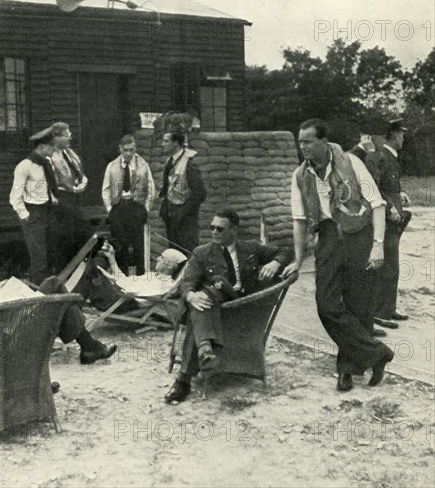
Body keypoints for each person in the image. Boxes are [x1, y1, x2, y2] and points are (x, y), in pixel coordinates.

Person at [282, 119, 394, 392]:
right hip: (329, 238)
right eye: (300, 142)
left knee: (359, 306)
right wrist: (297, 259)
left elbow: (377, 204)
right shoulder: (300, 176)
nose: (303, 147)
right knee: (327, 305)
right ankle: (378, 353)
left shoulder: (351, 163)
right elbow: (299, 220)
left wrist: (378, 244)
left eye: (308, 141)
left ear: (323, 141)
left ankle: (348, 369)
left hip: (359, 235)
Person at [164, 208, 292, 404]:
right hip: (216, 308)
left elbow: (285, 251)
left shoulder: (251, 247)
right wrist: (190, 296)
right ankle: (203, 353)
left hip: (243, 307)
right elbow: (188, 282)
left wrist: (275, 263)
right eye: (212, 227)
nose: (214, 232)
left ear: (234, 230)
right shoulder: (202, 253)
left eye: (220, 229)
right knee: (201, 302)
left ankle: (184, 379)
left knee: (216, 283)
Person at [0, 241, 117, 365]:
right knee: (54, 285)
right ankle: (89, 347)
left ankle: (89, 347)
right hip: (6, 350)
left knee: (51, 288)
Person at [366, 119, 412, 329]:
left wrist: (400, 192)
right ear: (393, 135)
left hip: (393, 221)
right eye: (401, 135)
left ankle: (388, 309)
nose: (403, 139)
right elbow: (373, 189)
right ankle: (380, 313)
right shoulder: (381, 156)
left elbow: (391, 184)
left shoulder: (391, 157)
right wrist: (388, 208)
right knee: (385, 267)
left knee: (392, 266)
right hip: (384, 220)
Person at [9, 127, 59, 285]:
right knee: (39, 259)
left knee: (51, 253)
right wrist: (26, 217)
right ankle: (38, 295)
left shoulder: (46, 163)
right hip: (33, 214)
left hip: (47, 211)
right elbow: (14, 197)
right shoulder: (25, 166)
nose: (54, 149)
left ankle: (50, 291)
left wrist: (52, 199)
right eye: (51, 146)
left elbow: (45, 186)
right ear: (42, 146)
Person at [102, 134, 155, 276]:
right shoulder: (112, 166)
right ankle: (122, 276)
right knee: (119, 246)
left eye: (132, 150)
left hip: (136, 207)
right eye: (125, 150)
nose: (129, 153)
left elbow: (151, 187)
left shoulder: (143, 165)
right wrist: (110, 210)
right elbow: (106, 189)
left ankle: (141, 277)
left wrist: (146, 208)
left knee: (139, 245)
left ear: (135, 149)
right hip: (118, 207)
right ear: (120, 149)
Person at [51, 122, 93, 268]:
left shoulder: (69, 153)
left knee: (85, 234)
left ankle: (81, 269)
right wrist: (68, 188)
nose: (70, 138)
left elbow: (80, 173)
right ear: (56, 137)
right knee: (66, 239)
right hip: (61, 202)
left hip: (74, 199)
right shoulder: (49, 156)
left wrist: (82, 183)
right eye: (66, 135)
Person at [159, 129, 207, 255]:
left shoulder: (189, 163)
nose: (162, 144)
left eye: (165, 141)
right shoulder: (170, 161)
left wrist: (184, 212)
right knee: (174, 255)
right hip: (172, 217)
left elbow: (200, 193)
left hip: (185, 220)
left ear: (175, 143)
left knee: (188, 253)